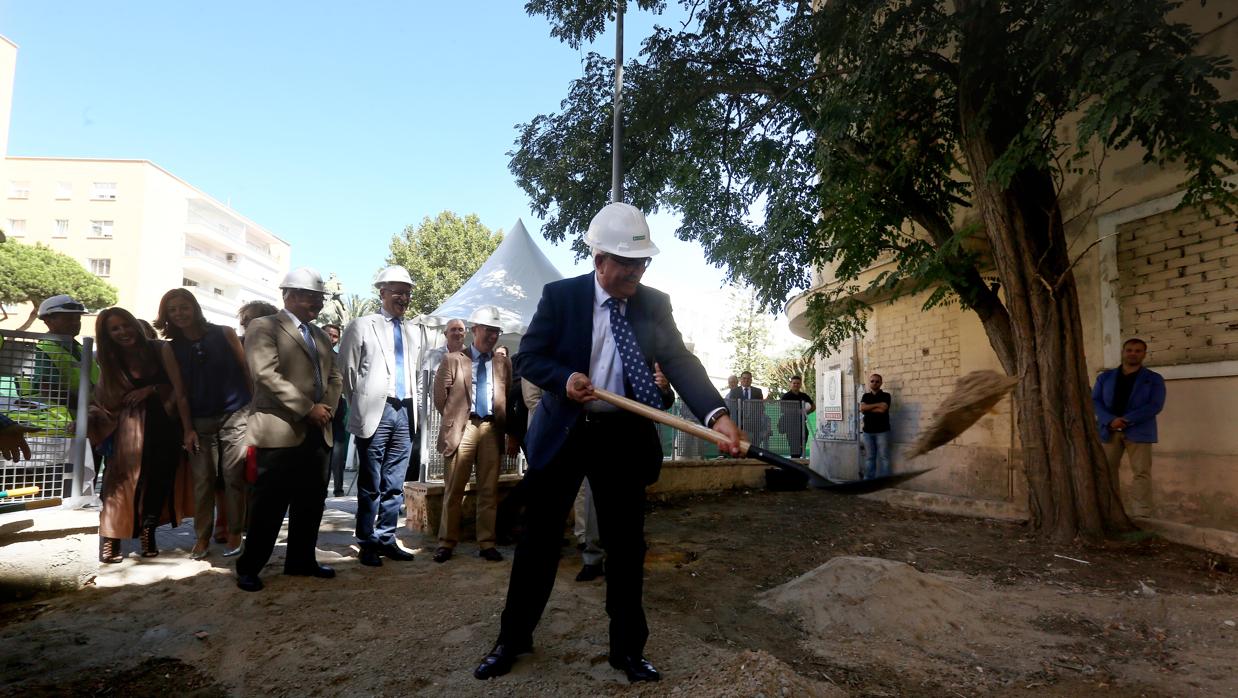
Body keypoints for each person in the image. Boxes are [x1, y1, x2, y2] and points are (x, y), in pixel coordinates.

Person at [473, 202, 741, 684]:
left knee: (626, 546)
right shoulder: (562, 297)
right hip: (566, 433)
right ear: (598, 258)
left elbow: (680, 361)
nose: (635, 273)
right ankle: (512, 638)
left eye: (642, 263)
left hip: (622, 436)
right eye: (626, 263)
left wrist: (717, 414)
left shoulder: (653, 304)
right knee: (539, 541)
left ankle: (627, 650)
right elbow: (529, 356)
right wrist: (565, 378)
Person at [234, 268, 342, 592]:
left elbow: (335, 378)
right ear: (289, 295)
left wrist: (326, 411)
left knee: (311, 503)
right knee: (269, 505)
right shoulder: (263, 327)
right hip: (279, 432)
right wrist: (308, 408)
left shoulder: (321, 336)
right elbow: (265, 374)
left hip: (317, 432)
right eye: (311, 297)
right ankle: (249, 566)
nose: (318, 304)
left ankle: (301, 560)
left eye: (320, 298)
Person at [87, 307, 192, 562]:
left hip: (164, 424)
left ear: (134, 324)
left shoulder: (159, 349)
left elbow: (180, 388)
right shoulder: (107, 357)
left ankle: (148, 532)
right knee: (118, 484)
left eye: (126, 325)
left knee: (159, 481)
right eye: (115, 328)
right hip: (127, 429)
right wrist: (92, 417)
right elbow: (103, 398)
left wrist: (153, 390)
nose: (123, 331)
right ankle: (111, 539)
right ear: (107, 334)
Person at [155, 289, 251, 560]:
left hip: (236, 413)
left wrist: (254, 409)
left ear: (194, 307)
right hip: (199, 419)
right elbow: (180, 392)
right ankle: (202, 536)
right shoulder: (170, 348)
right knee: (203, 480)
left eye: (183, 307)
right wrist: (187, 429)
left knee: (233, 477)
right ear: (166, 315)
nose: (179, 313)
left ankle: (234, 531)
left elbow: (246, 371)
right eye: (172, 310)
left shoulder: (225, 333)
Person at [338, 266, 422, 567]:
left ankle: (387, 538)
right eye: (398, 291)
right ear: (382, 292)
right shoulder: (362, 325)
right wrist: (359, 401)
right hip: (377, 409)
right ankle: (367, 540)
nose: (403, 297)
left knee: (395, 482)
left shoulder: (412, 331)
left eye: (407, 292)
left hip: (404, 410)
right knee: (370, 481)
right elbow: (346, 370)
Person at [433, 306, 513, 563]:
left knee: (488, 489)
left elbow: (506, 394)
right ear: (474, 330)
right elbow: (439, 398)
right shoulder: (454, 359)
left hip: (491, 429)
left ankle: (487, 542)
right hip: (463, 428)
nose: (492, 336)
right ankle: (446, 543)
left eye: (496, 331)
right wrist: (456, 420)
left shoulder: (503, 363)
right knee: (454, 488)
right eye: (488, 330)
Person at [1092, 338, 1166, 518]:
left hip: (1139, 431)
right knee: (1106, 471)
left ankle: (1141, 513)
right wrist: (1110, 420)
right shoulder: (1105, 377)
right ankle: (1111, 510)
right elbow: (1095, 401)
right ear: (1123, 352)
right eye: (1130, 350)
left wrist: (1125, 420)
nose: (1133, 353)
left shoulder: (1153, 379)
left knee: (1141, 472)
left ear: (1144, 354)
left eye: (1138, 351)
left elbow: (1154, 405)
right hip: (1108, 430)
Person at [321, 322, 350, 497]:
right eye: (328, 334)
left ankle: (338, 488)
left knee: (338, 452)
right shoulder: (312, 354)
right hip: (316, 409)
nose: (331, 338)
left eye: (335, 335)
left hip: (338, 409)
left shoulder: (340, 358)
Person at [859, 373, 892, 479]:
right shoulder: (866, 396)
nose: (874, 383)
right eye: (872, 381)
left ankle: (885, 481)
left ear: (881, 383)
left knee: (884, 457)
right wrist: (877, 405)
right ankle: (868, 480)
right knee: (870, 457)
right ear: (869, 383)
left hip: (882, 431)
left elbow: (883, 409)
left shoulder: (886, 395)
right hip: (867, 432)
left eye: (877, 381)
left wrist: (869, 407)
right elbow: (862, 408)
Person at [779, 375, 816, 459]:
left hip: (802, 424)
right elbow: (782, 409)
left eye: (798, 383)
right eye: (794, 383)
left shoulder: (804, 396)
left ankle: (800, 461)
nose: (796, 385)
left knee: (803, 443)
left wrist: (806, 412)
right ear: (790, 384)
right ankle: (795, 464)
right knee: (794, 448)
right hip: (790, 425)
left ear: (800, 384)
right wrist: (797, 412)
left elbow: (813, 406)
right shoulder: (786, 396)